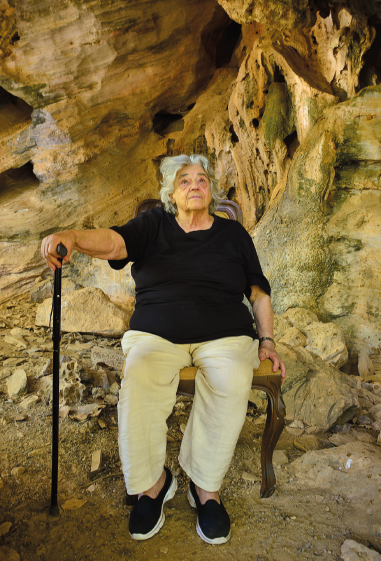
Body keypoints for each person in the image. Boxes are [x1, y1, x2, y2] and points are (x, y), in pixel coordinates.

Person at [41, 154, 286, 545]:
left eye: (202, 179)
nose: (194, 185)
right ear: (171, 193)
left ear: (211, 190)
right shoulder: (154, 225)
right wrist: (74, 237)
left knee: (233, 377)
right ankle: (153, 485)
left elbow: (258, 294)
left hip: (225, 335)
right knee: (139, 378)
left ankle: (205, 489)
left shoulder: (234, 236)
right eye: (184, 180)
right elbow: (115, 241)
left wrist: (268, 341)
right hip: (157, 333)